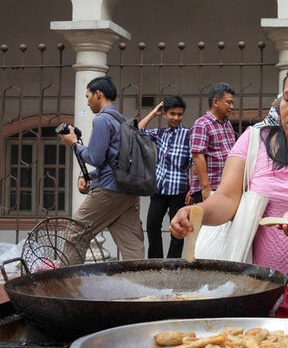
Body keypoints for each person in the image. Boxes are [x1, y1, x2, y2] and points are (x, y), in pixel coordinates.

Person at [170, 62, 288, 285]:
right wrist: (195, 212)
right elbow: (227, 199)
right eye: (287, 100)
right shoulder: (253, 141)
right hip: (260, 288)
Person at [57, 76, 145, 262]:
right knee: (131, 245)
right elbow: (114, 160)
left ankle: (67, 285)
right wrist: (91, 175)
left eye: (88, 96)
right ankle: (141, 286)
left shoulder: (101, 119)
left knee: (74, 234)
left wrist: (74, 144)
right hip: (127, 190)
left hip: (108, 190)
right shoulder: (122, 120)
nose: (87, 102)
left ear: (98, 94)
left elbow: (95, 158)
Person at [138, 95, 193, 259]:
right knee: (152, 225)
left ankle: (173, 263)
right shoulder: (160, 133)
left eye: (179, 114)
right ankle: (156, 261)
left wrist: (192, 189)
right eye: (172, 114)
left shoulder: (188, 135)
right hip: (159, 190)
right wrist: (153, 112)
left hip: (179, 190)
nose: (176, 117)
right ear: (165, 114)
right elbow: (137, 131)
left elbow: (193, 162)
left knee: (178, 228)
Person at [189, 83, 237, 203]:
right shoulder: (202, 124)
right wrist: (206, 187)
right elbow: (198, 155)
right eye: (229, 102)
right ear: (216, 102)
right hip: (210, 189)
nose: (232, 106)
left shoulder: (227, 124)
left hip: (224, 187)